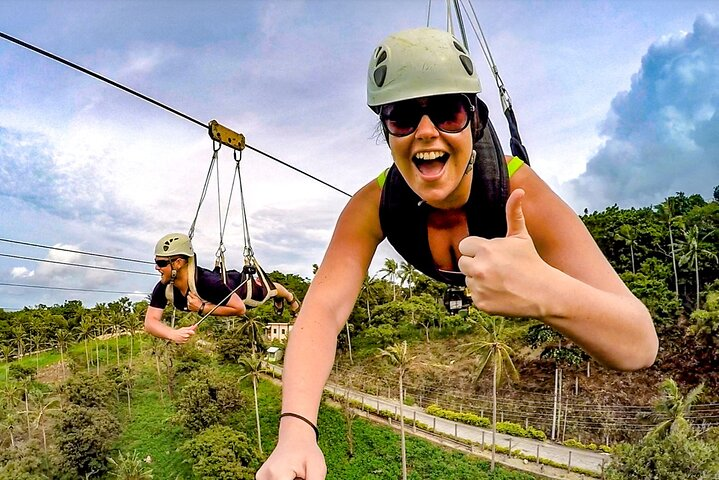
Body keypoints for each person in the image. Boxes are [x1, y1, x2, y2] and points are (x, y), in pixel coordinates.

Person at [256, 27, 658, 479]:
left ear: (476, 120)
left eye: (447, 113)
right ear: (386, 131)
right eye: (403, 116)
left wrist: (547, 291)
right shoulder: (373, 205)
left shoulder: (517, 192)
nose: (426, 132)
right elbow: (322, 312)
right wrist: (295, 431)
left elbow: (639, 344)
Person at [144, 232, 300, 344]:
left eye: (161, 263)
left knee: (271, 290)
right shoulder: (165, 287)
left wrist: (202, 308)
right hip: (221, 284)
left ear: (178, 263)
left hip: (240, 290)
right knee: (270, 290)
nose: (157, 268)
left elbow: (240, 309)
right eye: (156, 262)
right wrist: (173, 333)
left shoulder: (206, 282)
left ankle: (290, 298)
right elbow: (150, 322)